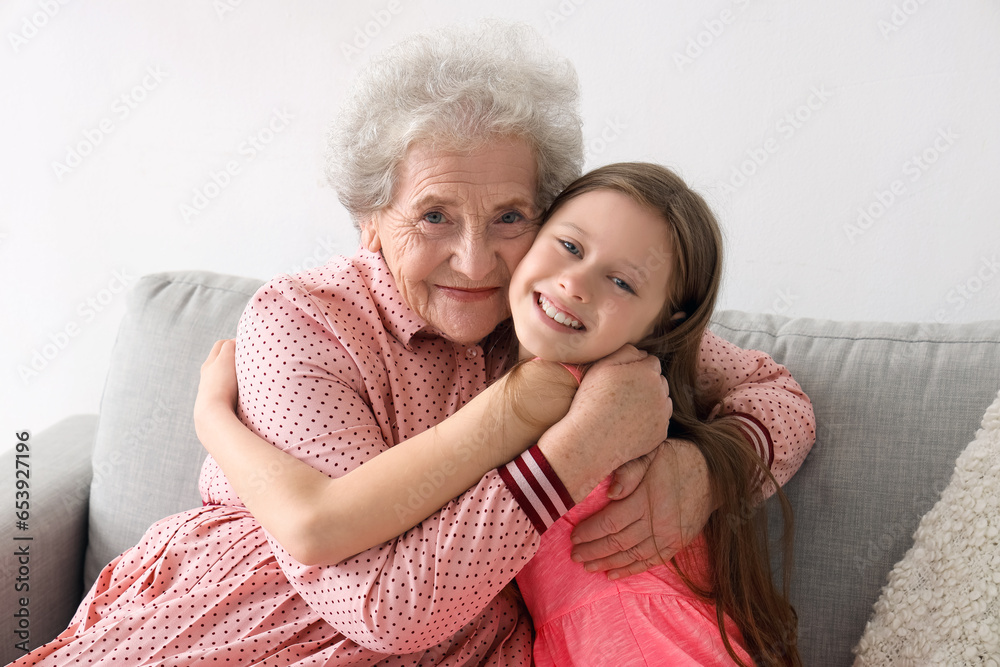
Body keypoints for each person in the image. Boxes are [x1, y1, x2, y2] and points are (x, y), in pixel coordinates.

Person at [14, 21, 813, 666]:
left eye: (510, 217)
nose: (476, 261)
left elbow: (777, 396)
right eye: (434, 216)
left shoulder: (562, 305)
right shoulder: (303, 322)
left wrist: (705, 469)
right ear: (368, 216)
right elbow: (386, 608)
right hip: (245, 628)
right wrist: (579, 442)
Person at [195, 162, 803, 666]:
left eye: (620, 280)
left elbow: (779, 395)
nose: (576, 285)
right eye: (569, 247)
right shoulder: (525, 335)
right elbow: (324, 525)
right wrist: (218, 426)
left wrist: (707, 471)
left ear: (666, 321)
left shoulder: (611, 363)